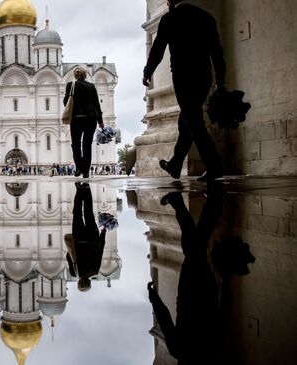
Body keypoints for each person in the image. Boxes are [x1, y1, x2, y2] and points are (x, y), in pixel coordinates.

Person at [147, 187, 254, 364]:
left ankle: (188, 203)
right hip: (189, 291)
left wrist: (226, 281)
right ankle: (210, 202)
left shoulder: (211, 352)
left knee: (195, 249)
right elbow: (164, 318)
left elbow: (223, 316)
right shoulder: (178, 350)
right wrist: (153, 298)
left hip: (206, 292)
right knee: (195, 248)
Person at [143, 0, 225, 181]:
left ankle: (214, 165)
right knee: (187, 120)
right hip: (204, 76)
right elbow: (217, 53)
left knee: (194, 122)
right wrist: (220, 82)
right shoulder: (206, 18)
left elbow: (157, 50)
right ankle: (176, 163)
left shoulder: (170, 18)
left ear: (171, 1)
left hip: (183, 78)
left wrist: (147, 72)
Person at [64, 183, 107, 292]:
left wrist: (103, 234)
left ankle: (86, 189)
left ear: (89, 282)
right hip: (78, 239)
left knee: (89, 213)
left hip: (92, 238)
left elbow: (99, 252)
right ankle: (79, 191)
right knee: (77, 213)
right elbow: (69, 257)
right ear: (79, 282)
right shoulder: (75, 273)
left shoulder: (94, 271)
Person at [64, 68, 104, 178]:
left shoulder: (71, 85)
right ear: (85, 75)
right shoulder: (91, 86)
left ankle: (78, 167)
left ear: (75, 76)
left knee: (75, 144)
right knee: (87, 145)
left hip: (76, 119)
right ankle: (86, 171)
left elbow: (66, 103)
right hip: (91, 119)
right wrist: (101, 121)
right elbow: (96, 104)